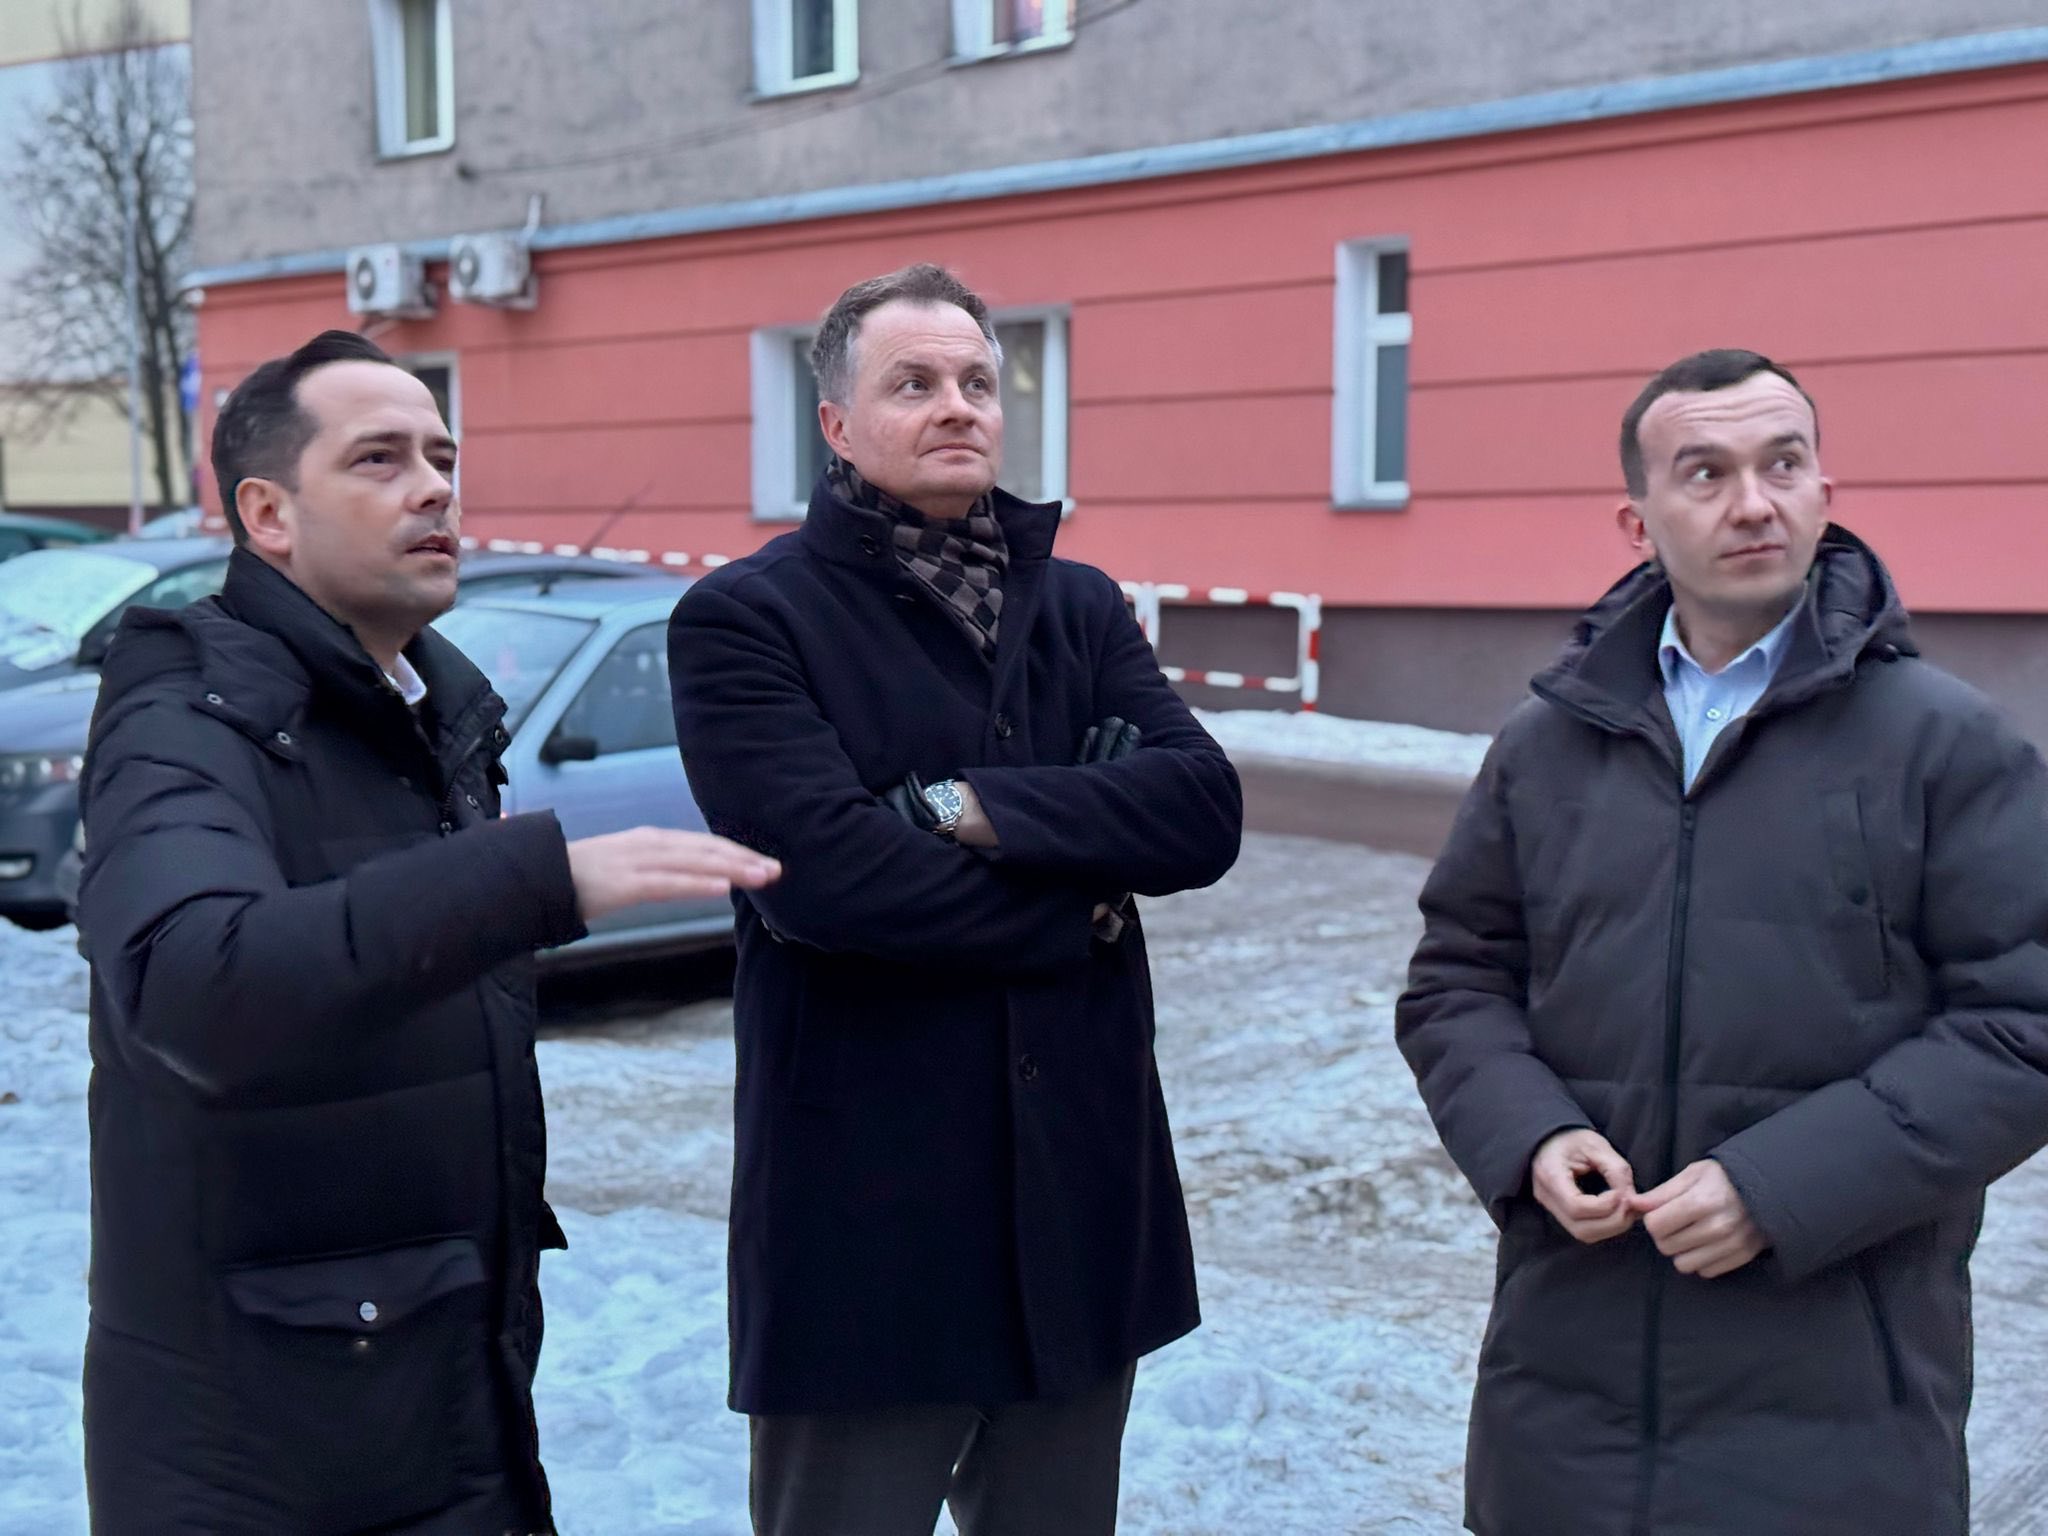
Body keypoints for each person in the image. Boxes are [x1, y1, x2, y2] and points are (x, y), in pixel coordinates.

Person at [76, 329, 777, 1535]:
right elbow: (194, 988)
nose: (435, 487)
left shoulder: (429, 718)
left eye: (443, 457)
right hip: (259, 1460)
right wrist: (531, 880)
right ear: (267, 514)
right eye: (380, 458)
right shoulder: (186, 717)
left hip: (439, 1402)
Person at [1396, 348, 2048, 1536]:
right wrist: (1528, 1134)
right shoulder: (1546, 744)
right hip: (1562, 1411)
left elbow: (2024, 1024)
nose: (1753, 502)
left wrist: (1778, 1186)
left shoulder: (1946, 745)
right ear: (1636, 520)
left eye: (1780, 464)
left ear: (1822, 491)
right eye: (1704, 473)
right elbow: (1456, 980)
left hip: (1838, 1416)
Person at [668, 263, 1242, 1536]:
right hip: (871, 1224)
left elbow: (1204, 811)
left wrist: (961, 807)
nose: (958, 406)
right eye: (914, 383)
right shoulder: (747, 619)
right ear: (835, 423)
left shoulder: (1078, 607)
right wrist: (1082, 896)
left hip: (1077, 1204)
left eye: (979, 381)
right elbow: (825, 883)